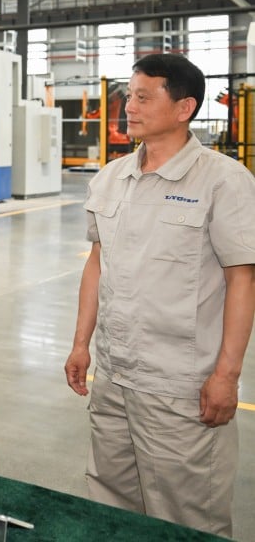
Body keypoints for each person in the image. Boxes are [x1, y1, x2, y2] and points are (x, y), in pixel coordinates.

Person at [64, 53, 255, 537]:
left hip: (180, 389)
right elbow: (97, 263)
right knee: (111, 507)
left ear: (184, 107)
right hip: (115, 377)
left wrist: (227, 376)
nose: (129, 106)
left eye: (144, 97)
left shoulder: (223, 181)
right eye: (130, 95)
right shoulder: (112, 177)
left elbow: (242, 280)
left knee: (188, 518)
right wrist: (82, 343)